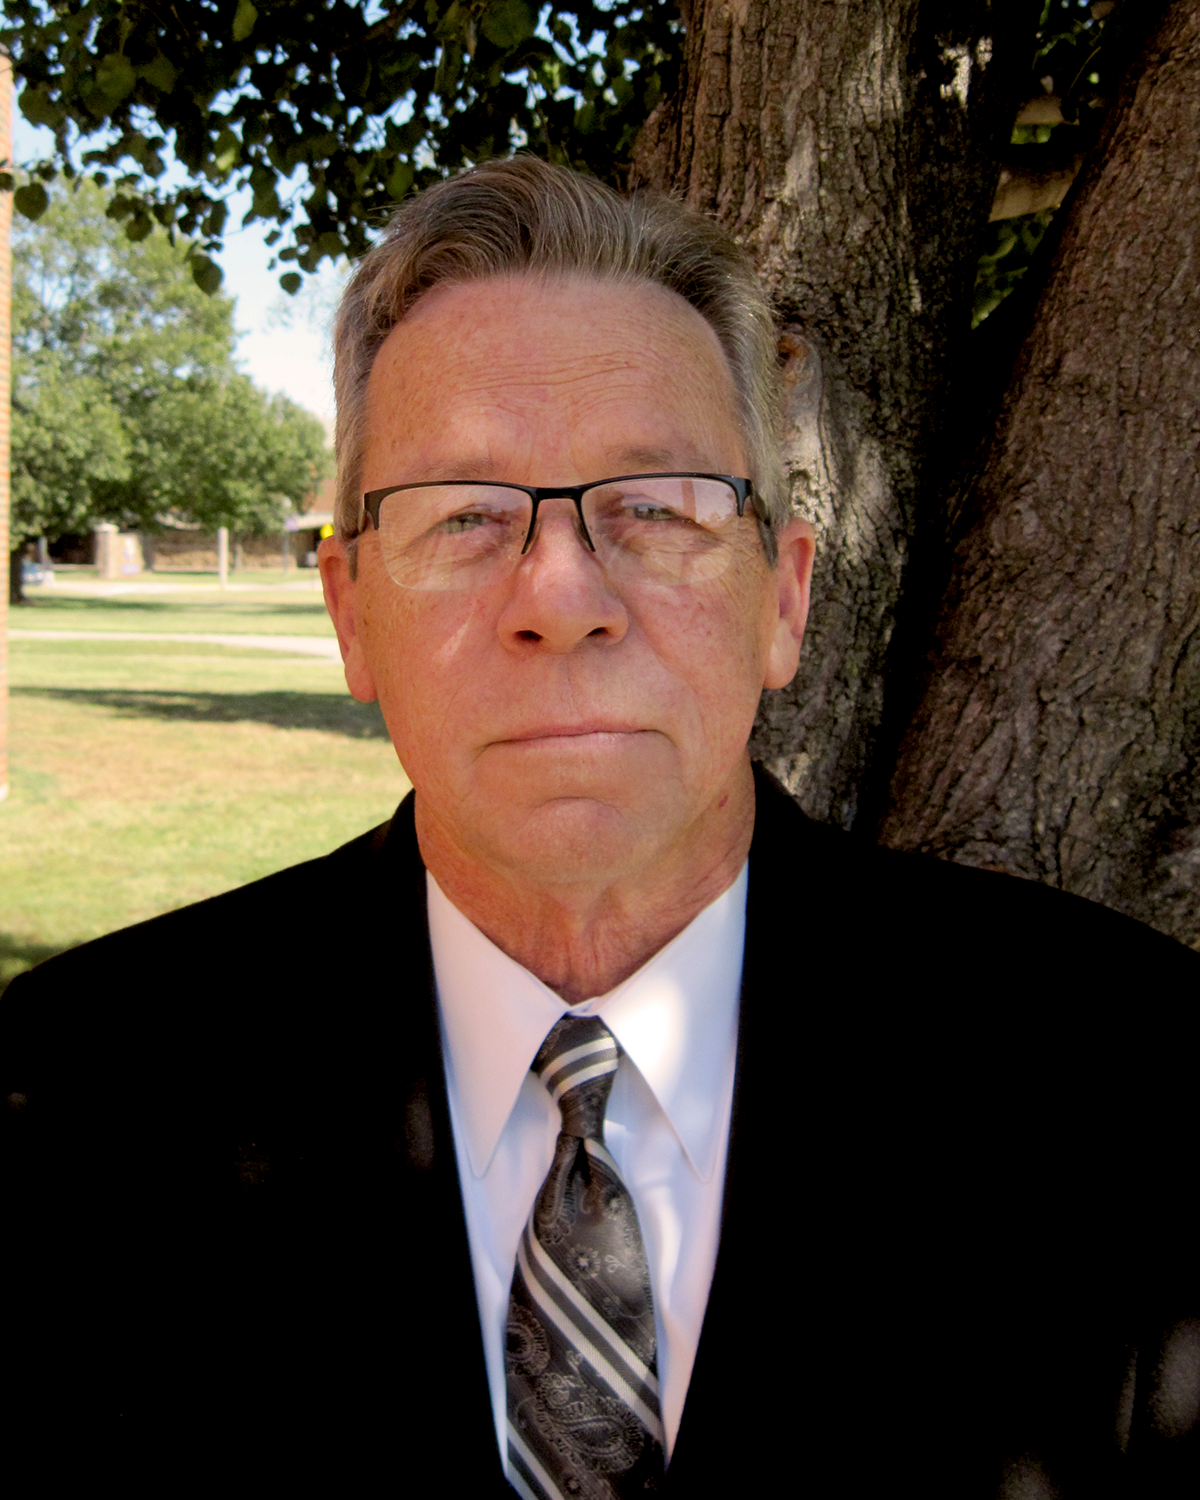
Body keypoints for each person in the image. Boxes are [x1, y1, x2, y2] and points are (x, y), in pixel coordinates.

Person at [3, 157, 1197, 1496]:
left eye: (655, 505)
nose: (562, 598)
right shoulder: (72, 1103)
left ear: (783, 601)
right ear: (351, 613)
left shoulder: (1141, 1087)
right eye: (465, 515)